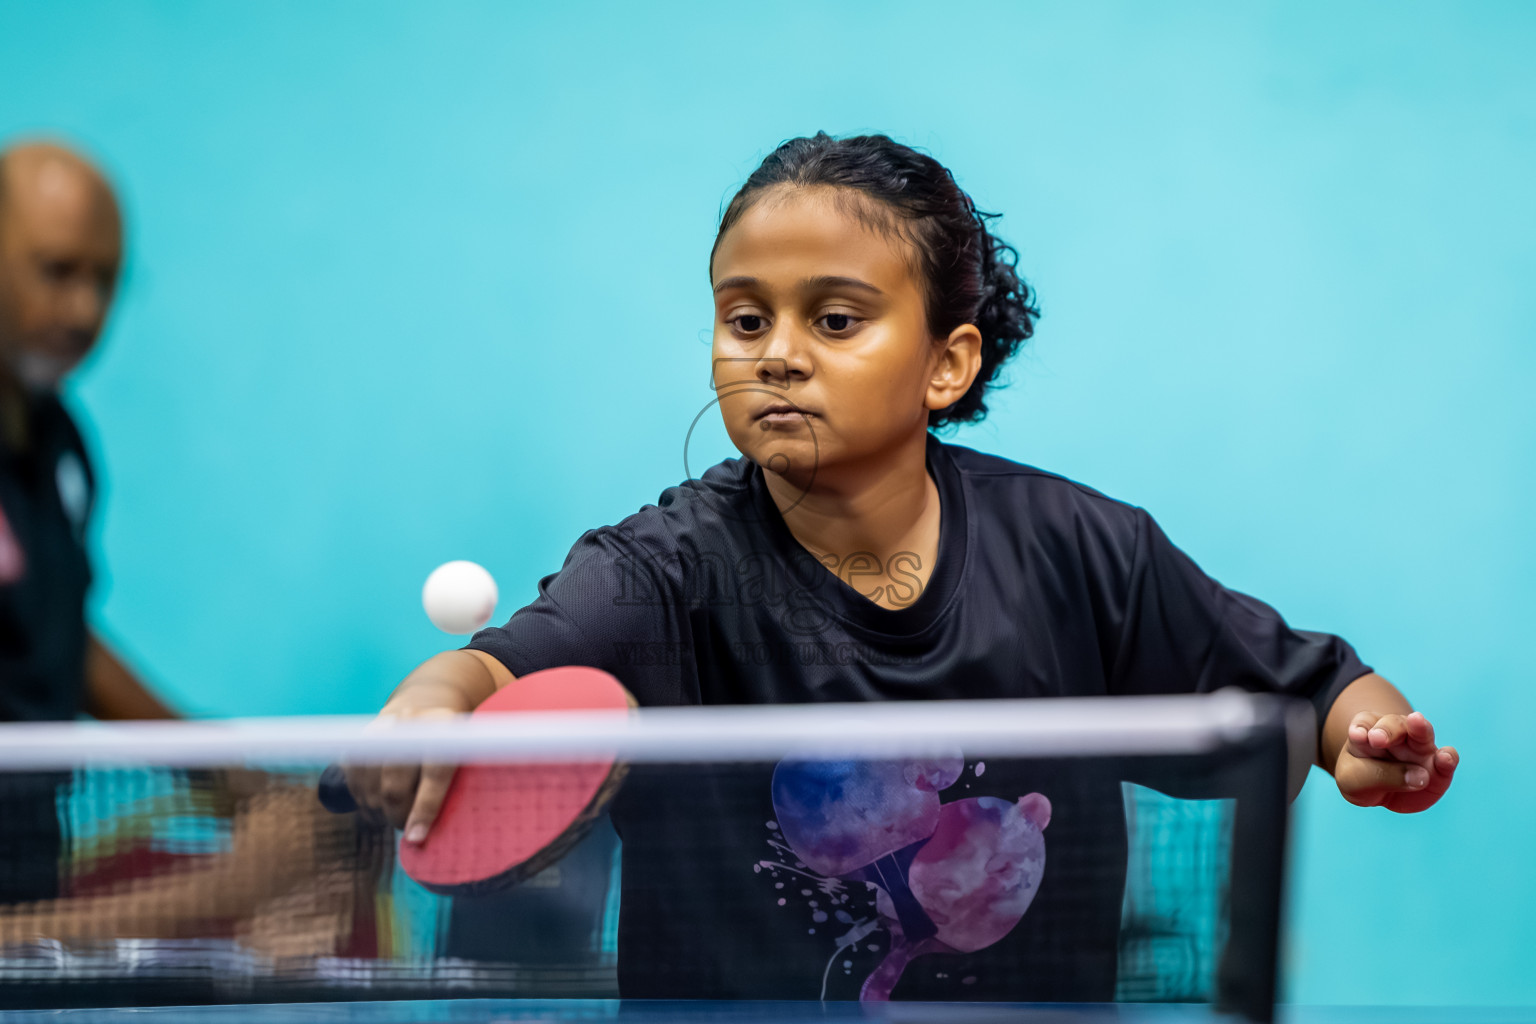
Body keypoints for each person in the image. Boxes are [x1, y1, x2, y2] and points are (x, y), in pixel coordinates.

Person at [343, 133, 1459, 1001]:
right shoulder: (662, 567)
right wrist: (440, 695)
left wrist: (1371, 743)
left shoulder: (1080, 548)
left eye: (834, 318)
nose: (775, 351)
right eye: (744, 318)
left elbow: (1313, 690)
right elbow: (505, 670)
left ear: (947, 362)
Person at [0, 140, 177, 904]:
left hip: (32, 846)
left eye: (106, 281)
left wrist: (220, 767)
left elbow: (57, 634)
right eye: (58, 270)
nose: (84, 310)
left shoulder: (63, 444)